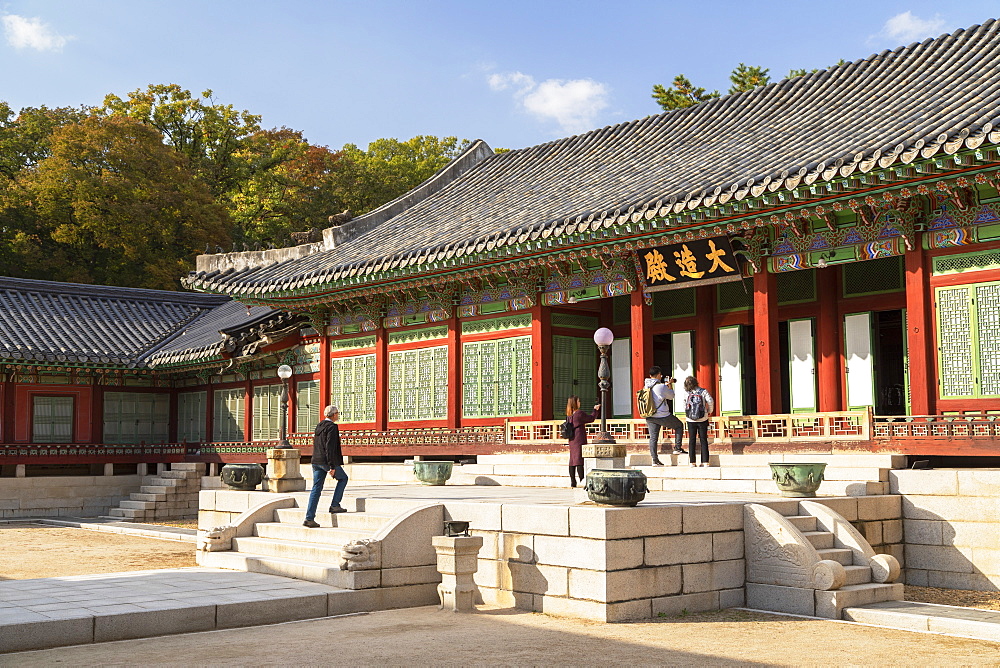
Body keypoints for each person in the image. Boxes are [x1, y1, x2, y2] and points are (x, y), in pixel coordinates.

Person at [303, 405, 349, 527]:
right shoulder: (332, 427)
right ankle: (335, 504)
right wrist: (331, 466)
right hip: (326, 461)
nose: (338, 415)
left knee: (316, 488)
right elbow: (330, 447)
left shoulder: (319, 426)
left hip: (316, 460)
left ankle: (309, 518)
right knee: (343, 478)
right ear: (333, 415)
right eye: (337, 413)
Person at [643, 366, 686, 465]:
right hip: (662, 415)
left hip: (650, 415)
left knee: (653, 438)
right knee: (679, 425)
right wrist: (669, 385)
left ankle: (654, 460)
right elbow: (671, 396)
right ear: (658, 375)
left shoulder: (645, 386)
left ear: (650, 376)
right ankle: (677, 448)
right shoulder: (661, 386)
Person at [565, 395, 600, 488]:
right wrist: (595, 410)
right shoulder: (579, 413)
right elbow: (591, 418)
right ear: (575, 403)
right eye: (578, 401)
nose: (580, 403)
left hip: (572, 439)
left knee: (572, 460)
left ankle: (573, 480)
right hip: (579, 438)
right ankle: (582, 479)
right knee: (579, 460)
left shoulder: (569, 414)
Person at [683, 376, 715, 467]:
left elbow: (684, 404)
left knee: (692, 440)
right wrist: (709, 411)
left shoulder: (686, 393)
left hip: (690, 419)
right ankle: (705, 462)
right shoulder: (703, 391)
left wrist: (688, 414)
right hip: (702, 418)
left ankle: (692, 462)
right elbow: (710, 401)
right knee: (703, 440)